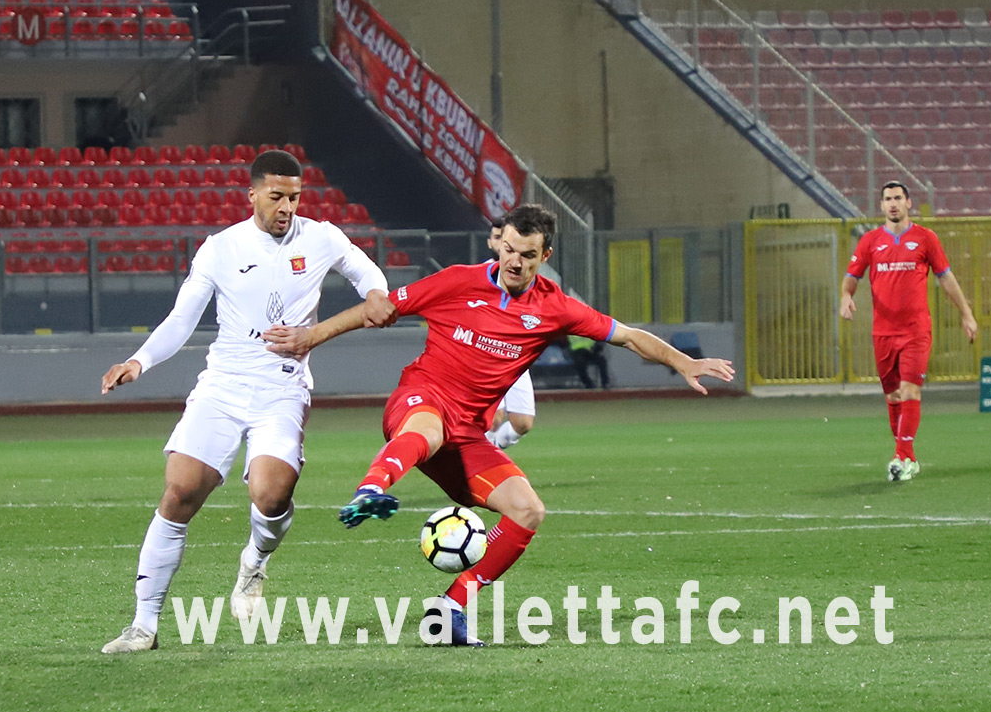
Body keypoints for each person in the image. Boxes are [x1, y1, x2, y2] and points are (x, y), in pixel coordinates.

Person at [264, 203, 734, 646]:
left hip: (468, 434)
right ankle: (370, 488)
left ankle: (450, 609)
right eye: (508, 249)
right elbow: (378, 309)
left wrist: (681, 361)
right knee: (428, 431)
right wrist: (310, 335)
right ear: (498, 244)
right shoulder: (457, 282)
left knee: (527, 511)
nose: (515, 261)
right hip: (422, 399)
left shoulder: (555, 308)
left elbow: (627, 336)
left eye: (528, 255)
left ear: (543, 256)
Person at [98, 149, 396, 653]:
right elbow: (182, 318)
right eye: (277, 196)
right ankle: (143, 626)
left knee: (271, 493)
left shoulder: (322, 237)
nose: (287, 207)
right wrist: (139, 361)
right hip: (223, 385)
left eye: (295, 197)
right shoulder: (221, 248)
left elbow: (377, 291)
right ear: (252, 194)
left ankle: (254, 562)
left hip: (282, 387)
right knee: (180, 492)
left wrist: (315, 334)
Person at [839, 181, 978, 482]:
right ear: (881, 205)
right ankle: (908, 458)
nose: (893, 203)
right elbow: (852, 276)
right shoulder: (870, 241)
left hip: (916, 330)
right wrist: (846, 297)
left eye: (898, 198)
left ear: (908, 203)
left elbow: (947, 279)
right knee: (893, 396)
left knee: (910, 390)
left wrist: (966, 314)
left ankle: (900, 457)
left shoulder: (925, 239)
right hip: (883, 333)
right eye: (887, 199)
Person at [482, 218, 535, 449]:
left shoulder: (527, 276)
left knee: (522, 423)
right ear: (491, 243)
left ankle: (491, 449)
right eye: (496, 237)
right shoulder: (478, 275)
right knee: (492, 418)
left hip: (516, 355)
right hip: (484, 355)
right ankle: (480, 462)